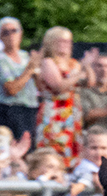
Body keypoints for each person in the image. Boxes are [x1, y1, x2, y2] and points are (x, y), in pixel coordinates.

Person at [34, 26, 84, 163]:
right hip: (54, 111)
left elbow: (88, 82)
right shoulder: (48, 62)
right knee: (54, 147)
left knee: (72, 148)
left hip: (71, 111)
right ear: (51, 42)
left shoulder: (73, 63)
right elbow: (58, 86)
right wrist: (79, 75)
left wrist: (88, 66)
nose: (66, 45)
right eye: (61, 41)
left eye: (68, 41)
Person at [0, 19, 37, 141]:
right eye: (5, 32)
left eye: (14, 31)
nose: (11, 35)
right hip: (11, 110)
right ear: (0, 37)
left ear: (20, 33)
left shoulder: (25, 56)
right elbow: (11, 89)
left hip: (31, 108)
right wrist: (29, 70)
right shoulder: (0, 58)